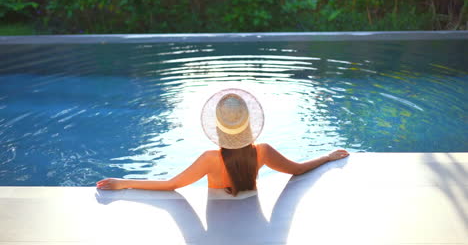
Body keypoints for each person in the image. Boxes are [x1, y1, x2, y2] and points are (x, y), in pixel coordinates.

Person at [96, 88, 349, 195]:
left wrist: (123, 183)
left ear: (217, 127)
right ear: (249, 125)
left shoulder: (210, 159)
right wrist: (327, 157)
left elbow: (171, 184)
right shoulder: (262, 152)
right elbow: (298, 169)